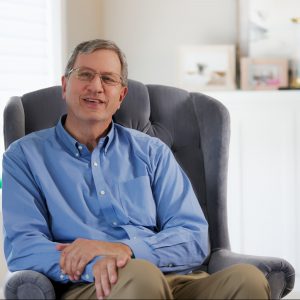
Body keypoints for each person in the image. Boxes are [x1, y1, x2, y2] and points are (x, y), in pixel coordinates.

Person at [2, 39, 270, 299]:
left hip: (174, 278)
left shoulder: (152, 152)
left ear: (121, 95)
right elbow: (23, 247)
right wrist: (93, 261)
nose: (96, 86)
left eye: (108, 79)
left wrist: (125, 250)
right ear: (65, 85)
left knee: (248, 280)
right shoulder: (24, 156)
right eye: (85, 74)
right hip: (91, 285)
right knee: (140, 275)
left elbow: (194, 238)